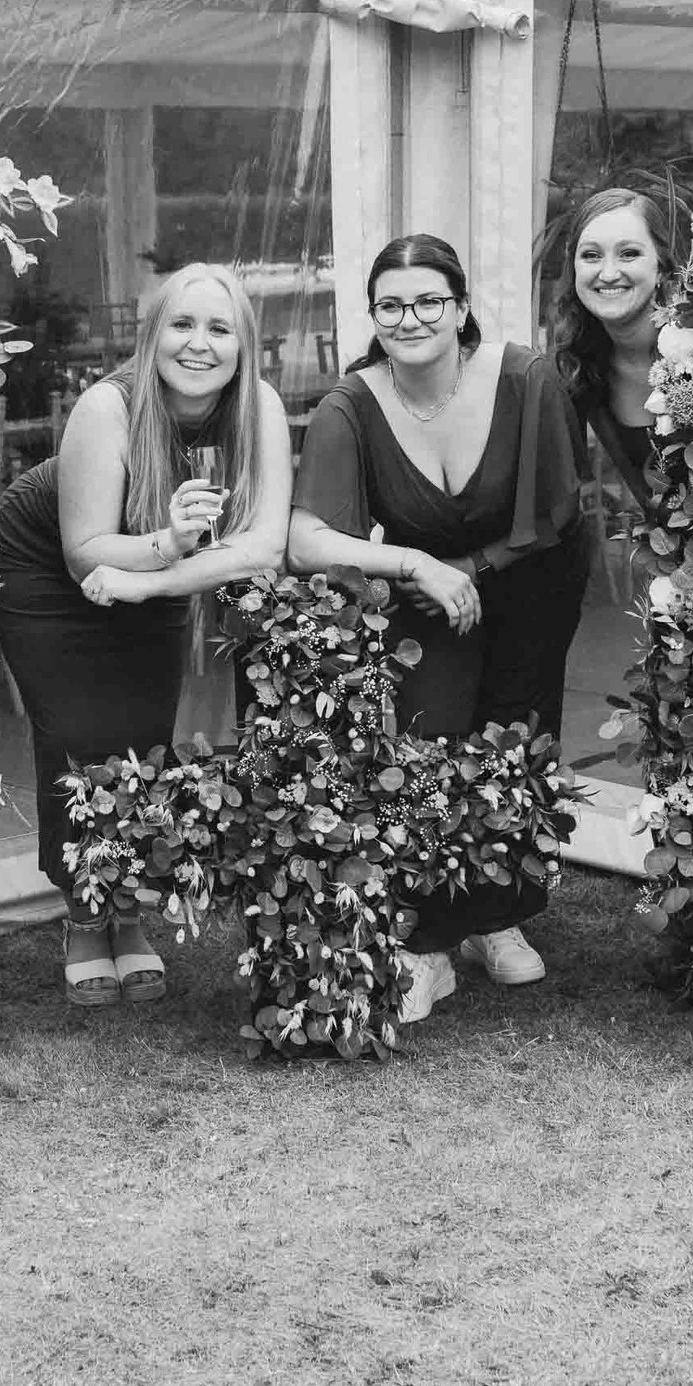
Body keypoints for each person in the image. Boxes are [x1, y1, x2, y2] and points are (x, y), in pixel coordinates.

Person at [287, 233, 589, 1022]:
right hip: (425, 605)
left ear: (460, 309)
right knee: (425, 750)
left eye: (429, 301)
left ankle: (499, 918)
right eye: (391, 304)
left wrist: (476, 571)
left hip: (530, 580)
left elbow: (559, 508)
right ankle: (427, 945)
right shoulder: (349, 405)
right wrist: (418, 566)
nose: (410, 317)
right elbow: (306, 536)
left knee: (517, 741)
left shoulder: (527, 379)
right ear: (373, 315)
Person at [0, 264, 292, 1008]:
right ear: (154, 335)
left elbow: (262, 548)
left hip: (153, 565)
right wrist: (171, 543)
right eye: (182, 325)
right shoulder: (108, 406)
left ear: (243, 342)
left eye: (219, 328)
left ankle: (128, 907)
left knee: (141, 739)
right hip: (51, 569)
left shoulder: (259, 405)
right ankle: (85, 916)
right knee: (77, 736)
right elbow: (85, 550)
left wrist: (156, 576)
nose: (200, 344)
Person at [550, 185, 680, 512]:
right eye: (591, 255)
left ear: (662, 267)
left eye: (629, 253)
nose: (608, 273)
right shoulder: (573, 370)